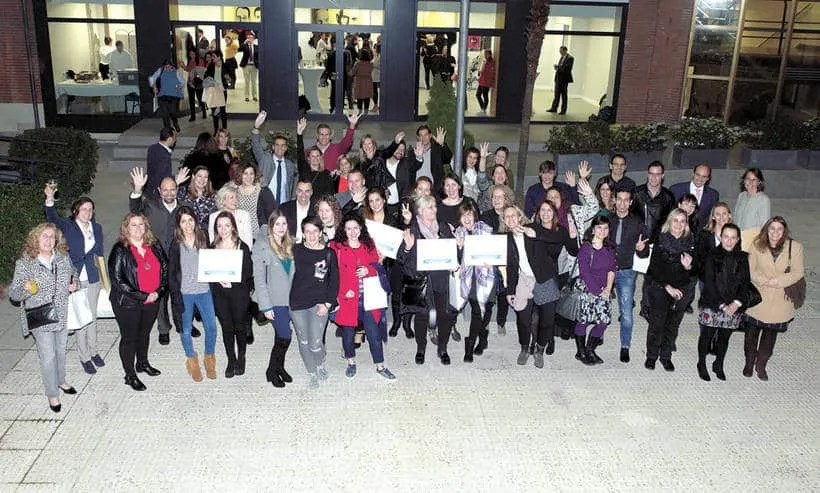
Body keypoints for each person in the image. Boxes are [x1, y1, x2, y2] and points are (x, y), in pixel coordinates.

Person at [10, 224, 77, 412]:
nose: (49, 241)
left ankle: (61, 380)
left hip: (62, 313)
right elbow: (14, 295)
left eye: (52, 237)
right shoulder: (25, 263)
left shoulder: (63, 257)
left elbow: (74, 273)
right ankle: (52, 394)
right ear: (35, 239)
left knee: (61, 351)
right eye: (44, 237)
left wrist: (75, 284)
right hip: (40, 315)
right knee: (48, 356)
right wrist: (24, 289)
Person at [505, 203, 577, 367]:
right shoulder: (508, 238)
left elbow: (556, 237)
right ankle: (524, 348)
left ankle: (539, 350)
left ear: (520, 217)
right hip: (524, 279)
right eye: (507, 216)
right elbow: (511, 266)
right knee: (523, 319)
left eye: (513, 215)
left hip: (544, 277)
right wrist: (510, 290)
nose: (510, 219)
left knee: (547, 320)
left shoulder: (533, 228)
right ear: (504, 220)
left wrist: (536, 234)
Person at [44, 187, 105, 375]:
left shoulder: (97, 228)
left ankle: (94, 351)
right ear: (76, 211)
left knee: (93, 317)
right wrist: (49, 199)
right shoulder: (68, 226)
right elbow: (52, 218)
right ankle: (84, 356)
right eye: (84, 209)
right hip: (76, 278)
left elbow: (100, 253)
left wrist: (104, 278)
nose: (88, 212)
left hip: (93, 276)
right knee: (82, 318)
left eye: (90, 209)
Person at [129, 168, 192, 344]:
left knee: (181, 293)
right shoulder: (151, 205)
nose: (169, 192)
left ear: (177, 189)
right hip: (157, 260)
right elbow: (135, 210)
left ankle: (183, 325)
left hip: (180, 259)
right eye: (165, 189)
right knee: (161, 297)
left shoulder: (184, 207)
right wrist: (137, 189)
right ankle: (164, 329)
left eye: (172, 189)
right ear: (159, 191)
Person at [330, 215, 397, 380]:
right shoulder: (335, 247)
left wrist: (369, 270)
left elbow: (377, 267)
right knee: (348, 335)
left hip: (369, 298)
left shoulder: (369, 244)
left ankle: (380, 365)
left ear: (361, 229)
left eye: (355, 228)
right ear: (343, 230)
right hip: (347, 298)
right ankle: (351, 362)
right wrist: (341, 293)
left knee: (374, 334)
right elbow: (331, 274)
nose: (352, 232)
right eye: (349, 229)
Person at [108, 212, 168, 391]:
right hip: (128, 303)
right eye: (133, 225)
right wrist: (143, 295)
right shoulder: (120, 249)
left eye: (141, 224)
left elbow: (165, 268)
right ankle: (130, 374)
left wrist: (158, 292)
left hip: (153, 299)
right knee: (129, 338)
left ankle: (142, 363)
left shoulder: (154, 244)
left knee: (144, 334)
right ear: (126, 228)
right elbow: (118, 280)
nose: (138, 228)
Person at [398, 195, 457, 365]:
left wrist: (455, 258)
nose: (434, 210)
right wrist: (408, 248)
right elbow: (400, 258)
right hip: (420, 280)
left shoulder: (444, 228)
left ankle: (443, 348)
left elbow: (453, 252)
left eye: (435, 207)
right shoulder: (412, 229)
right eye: (430, 207)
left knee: (444, 315)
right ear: (421, 211)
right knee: (422, 316)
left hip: (441, 279)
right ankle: (421, 347)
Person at [744, 216, 803, 381]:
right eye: (772, 228)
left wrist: (778, 281)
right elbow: (750, 268)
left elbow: (798, 272)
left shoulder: (795, 247)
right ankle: (749, 362)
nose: (775, 232)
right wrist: (764, 281)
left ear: (784, 231)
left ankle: (761, 365)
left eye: (779, 229)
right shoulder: (757, 245)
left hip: (780, 300)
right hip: (758, 298)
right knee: (750, 336)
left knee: (769, 338)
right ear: (766, 230)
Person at [697, 223, 755, 381]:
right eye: (726, 237)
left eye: (733, 238)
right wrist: (722, 305)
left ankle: (719, 364)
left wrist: (736, 303)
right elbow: (709, 283)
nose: (729, 241)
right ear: (721, 237)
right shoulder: (712, 256)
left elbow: (745, 283)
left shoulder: (743, 258)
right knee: (706, 336)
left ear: (737, 240)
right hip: (713, 303)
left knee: (724, 338)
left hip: (733, 306)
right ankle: (701, 363)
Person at [167, 206, 219, 382]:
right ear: (179, 225)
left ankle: (209, 357)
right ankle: (191, 359)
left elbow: (213, 263)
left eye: (190, 220)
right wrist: (175, 297)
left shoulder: (203, 238)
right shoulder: (175, 244)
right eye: (183, 221)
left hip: (204, 290)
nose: (188, 224)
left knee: (211, 327)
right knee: (186, 329)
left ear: (195, 221)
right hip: (185, 293)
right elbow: (172, 273)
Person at [643, 208, 696, 371]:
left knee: (672, 326)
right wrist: (668, 287)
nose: (679, 224)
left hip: (682, 289)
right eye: (675, 220)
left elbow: (696, 271)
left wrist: (689, 267)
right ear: (669, 222)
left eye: (682, 221)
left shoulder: (691, 242)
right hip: (661, 286)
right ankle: (651, 356)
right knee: (656, 325)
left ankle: (665, 356)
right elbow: (653, 269)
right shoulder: (660, 240)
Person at [289, 216, 339, 387]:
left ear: (320, 233)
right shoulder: (294, 251)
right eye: (307, 231)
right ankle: (312, 372)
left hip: (319, 305)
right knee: (303, 341)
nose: (311, 236)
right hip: (296, 305)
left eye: (315, 231)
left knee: (315, 343)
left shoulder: (328, 254)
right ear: (303, 233)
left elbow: (334, 282)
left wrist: (328, 304)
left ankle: (320, 362)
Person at [253, 211, 296, 388]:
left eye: (283, 224)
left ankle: (279, 367)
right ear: (270, 226)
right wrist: (266, 306)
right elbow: (259, 279)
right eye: (277, 224)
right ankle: (271, 370)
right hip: (273, 301)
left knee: (281, 336)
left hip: (289, 300)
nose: (281, 228)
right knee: (285, 336)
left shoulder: (290, 244)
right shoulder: (262, 246)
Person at [210, 211, 254, 377]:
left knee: (239, 327)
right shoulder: (213, 247)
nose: (223, 229)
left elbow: (249, 275)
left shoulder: (242, 247)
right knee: (227, 328)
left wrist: (234, 282)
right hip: (220, 294)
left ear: (233, 227)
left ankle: (241, 357)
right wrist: (217, 280)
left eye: (227, 225)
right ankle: (231, 359)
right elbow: (209, 272)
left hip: (239, 293)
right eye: (219, 226)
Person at [608, 189, 649, 363]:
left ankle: (625, 345)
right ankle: (598, 335)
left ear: (631, 202)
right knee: (602, 305)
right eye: (620, 199)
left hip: (626, 271)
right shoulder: (606, 220)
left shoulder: (638, 223)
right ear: (614, 200)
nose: (623, 203)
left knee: (626, 312)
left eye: (626, 200)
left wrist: (641, 249)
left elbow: (645, 252)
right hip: (606, 270)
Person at [453, 202, 496, 362]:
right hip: (469, 278)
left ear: (474, 215)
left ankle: (483, 337)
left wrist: (490, 259)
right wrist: (459, 248)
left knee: (486, 312)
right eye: (463, 215)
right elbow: (457, 261)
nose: (467, 218)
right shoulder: (458, 233)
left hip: (487, 275)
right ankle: (469, 345)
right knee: (477, 312)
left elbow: (496, 252)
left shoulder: (485, 230)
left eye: (469, 214)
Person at [574, 215, 617, 365]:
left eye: (605, 228)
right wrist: (597, 292)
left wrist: (608, 288)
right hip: (588, 289)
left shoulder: (609, 247)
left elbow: (612, 269)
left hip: (604, 290)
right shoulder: (586, 248)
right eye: (599, 227)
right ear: (593, 229)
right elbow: (585, 273)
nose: (602, 231)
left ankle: (590, 349)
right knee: (583, 321)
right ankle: (580, 352)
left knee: (603, 322)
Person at [252, 111, 297, 204]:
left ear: (286, 148)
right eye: (277, 145)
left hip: (283, 205)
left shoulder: (290, 165)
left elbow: (291, 186)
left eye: (283, 145)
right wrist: (256, 127)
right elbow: (256, 146)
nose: (280, 148)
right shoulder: (264, 159)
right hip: (266, 204)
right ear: (273, 147)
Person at [631, 161, 676, 244]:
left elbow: (672, 220)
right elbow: (629, 216)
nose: (654, 177)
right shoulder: (636, 193)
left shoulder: (668, 196)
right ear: (647, 175)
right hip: (637, 240)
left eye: (657, 174)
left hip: (660, 242)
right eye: (651, 174)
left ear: (662, 176)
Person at [208, 183, 254, 250]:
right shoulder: (213, 217)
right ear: (223, 200)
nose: (235, 200)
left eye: (236, 197)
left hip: (240, 252)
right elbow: (213, 240)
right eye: (231, 198)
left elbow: (248, 240)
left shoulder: (244, 215)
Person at [235, 163, 274, 240]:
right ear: (240, 175)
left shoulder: (263, 191)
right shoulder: (235, 191)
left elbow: (272, 214)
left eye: (251, 174)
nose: (248, 177)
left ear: (255, 175)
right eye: (245, 173)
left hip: (259, 234)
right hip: (239, 233)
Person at [407, 125, 452, 190]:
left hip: (435, 189)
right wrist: (418, 158)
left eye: (426, 134)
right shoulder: (412, 153)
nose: (423, 137)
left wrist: (442, 145)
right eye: (421, 135)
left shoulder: (437, 149)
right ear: (417, 137)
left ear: (430, 135)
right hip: (418, 190)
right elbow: (411, 170)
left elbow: (447, 159)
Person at [177, 165, 218, 233]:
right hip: (185, 233)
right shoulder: (183, 191)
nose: (202, 180)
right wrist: (177, 182)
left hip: (206, 235)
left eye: (205, 177)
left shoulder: (214, 196)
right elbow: (168, 197)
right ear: (193, 176)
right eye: (199, 176)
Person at [149, 60, 185, 133]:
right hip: (163, 95)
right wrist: (154, 86)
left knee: (173, 112)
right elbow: (152, 78)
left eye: (169, 67)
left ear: (172, 66)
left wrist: (179, 87)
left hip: (173, 96)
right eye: (166, 67)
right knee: (165, 114)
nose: (168, 68)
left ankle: (175, 123)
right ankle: (168, 130)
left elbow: (182, 82)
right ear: (164, 66)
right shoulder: (160, 70)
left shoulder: (176, 72)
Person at [146, 128, 176, 199]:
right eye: (174, 138)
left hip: (150, 187)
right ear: (169, 139)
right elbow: (163, 176)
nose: (175, 140)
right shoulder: (164, 156)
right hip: (158, 192)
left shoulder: (152, 148)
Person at [203, 51, 229, 134]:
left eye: (213, 56)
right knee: (214, 111)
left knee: (222, 110)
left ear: (219, 57)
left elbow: (231, 78)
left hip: (222, 90)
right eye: (212, 56)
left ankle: (224, 129)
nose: (212, 58)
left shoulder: (225, 66)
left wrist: (228, 78)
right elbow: (205, 76)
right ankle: (216, 130)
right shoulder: (211, 65)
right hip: (213, 90)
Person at [547, 46, 574, 115]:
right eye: (560, 51)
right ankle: (554, 108)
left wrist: (558, 67)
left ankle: (563, 110)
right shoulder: (562, 57)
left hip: (564, 80)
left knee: (564, 95)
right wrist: (558, 67)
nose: (560, 52)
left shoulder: (570, 58)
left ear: (565, 51)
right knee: (556, 95)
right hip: (558, 79)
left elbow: (568, 69)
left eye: (561, 51)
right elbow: (561, 67)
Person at [184, 50, 207, 122]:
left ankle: (204, 111)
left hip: (198, 83)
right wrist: (183, 67)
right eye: (190, 54)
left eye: (193, 53)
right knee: (191, 100)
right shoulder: (190, 61)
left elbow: (202, 71)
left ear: (196, 54)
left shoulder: (200, 61)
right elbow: (189, 70)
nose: (192, 55)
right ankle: (193, 115)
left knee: (200, 98)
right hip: (190, 82)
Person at [351, 50, 374, 115]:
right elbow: (371, 71)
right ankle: (366, 111)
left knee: (359, 97)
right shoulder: (370, 64)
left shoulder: (357, 64)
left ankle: (360, 111)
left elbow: (353, 72)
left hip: (359, 82)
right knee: (367, 97)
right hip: (368, 81)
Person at [239, 31, 259, 102]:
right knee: (247, 82)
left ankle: (255, 96)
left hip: (254, 66)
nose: (250, 39)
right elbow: (239, 49)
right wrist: (244, 42)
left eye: (251, 38)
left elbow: (259, 56)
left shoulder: (257, 47)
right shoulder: (245, 46)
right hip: (246, 66)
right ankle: (246, 96)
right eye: (248, 37)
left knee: (254, 82)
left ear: (253, 39)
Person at [476, 49, 495, 114]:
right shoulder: (484, 61)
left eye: (486, 54)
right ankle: (482, 107)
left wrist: (483, 64)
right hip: (482, 81)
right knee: (478, 95)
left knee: (485, 96)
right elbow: (481, 71)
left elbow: (484, 71)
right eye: (484, 54)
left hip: (486, 82)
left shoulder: (491, 62)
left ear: (490, 54)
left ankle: (484, 109)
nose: (485, 55)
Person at [372, 43, 381, 113]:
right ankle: (376, 105)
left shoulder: (381, 56)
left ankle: (378, 106)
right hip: (374, 76)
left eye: (376, 48)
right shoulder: (376, 55)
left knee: (377, 91)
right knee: (374, 91)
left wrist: (373, 64)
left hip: (378, 76)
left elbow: (377, 65)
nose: (375, 49)